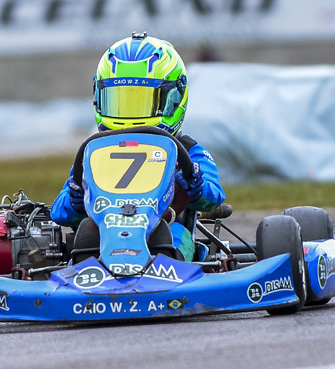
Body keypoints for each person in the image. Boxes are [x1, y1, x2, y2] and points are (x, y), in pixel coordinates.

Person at [50, 32, 226, 262]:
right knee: (86, 233)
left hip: (167, 236)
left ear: (174, 98)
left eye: (143, 101)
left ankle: (168, 272)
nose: (131, 115)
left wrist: (197, 186)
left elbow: (215, 196)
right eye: (120, 101)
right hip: (103, 241)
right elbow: (58, 211)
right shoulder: (95, 152)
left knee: (169, 237)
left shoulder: (187, 151)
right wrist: (76, 201)